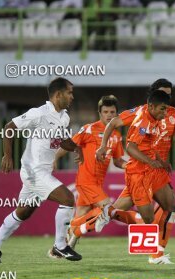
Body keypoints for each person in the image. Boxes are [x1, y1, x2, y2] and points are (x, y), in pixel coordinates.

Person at [0, 77, 83, 263]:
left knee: (25, 211)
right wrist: (7, 155)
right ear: (58, 94)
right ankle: (60, 246)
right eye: (69, 92)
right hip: (33, 171)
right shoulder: (39, 113)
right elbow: (9, 127)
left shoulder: (64, 117)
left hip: (43, 172)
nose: (72, 96)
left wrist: (77, 148)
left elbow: (62, 141)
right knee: (68, 199)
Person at [96, 82, 175, 265]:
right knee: (147, 218)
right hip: (139, 171)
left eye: (168, 97)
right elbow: (128, 143)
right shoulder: (142, 117)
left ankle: (157, 253)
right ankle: (153, 254)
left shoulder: (168, 114)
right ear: (152, 100)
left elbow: (169, 136)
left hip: (155, 169)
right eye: (162, 98)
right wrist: (103, 146)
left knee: (171, 206)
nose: (165, 105)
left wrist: (161, 161)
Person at [54, 95, 141, 248]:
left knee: (81, 218)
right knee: (107, 209)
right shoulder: (89, 129)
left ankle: (61, 248)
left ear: (117, 114)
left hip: (98, 183)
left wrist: (131, 166)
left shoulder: (116, 135)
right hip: (86, 181)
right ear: (99, 113)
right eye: (106, 112)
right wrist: (54, 158)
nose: (109, 115)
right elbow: (69, 144)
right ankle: (70, 229)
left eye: (112, 112)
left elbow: (118, 161)